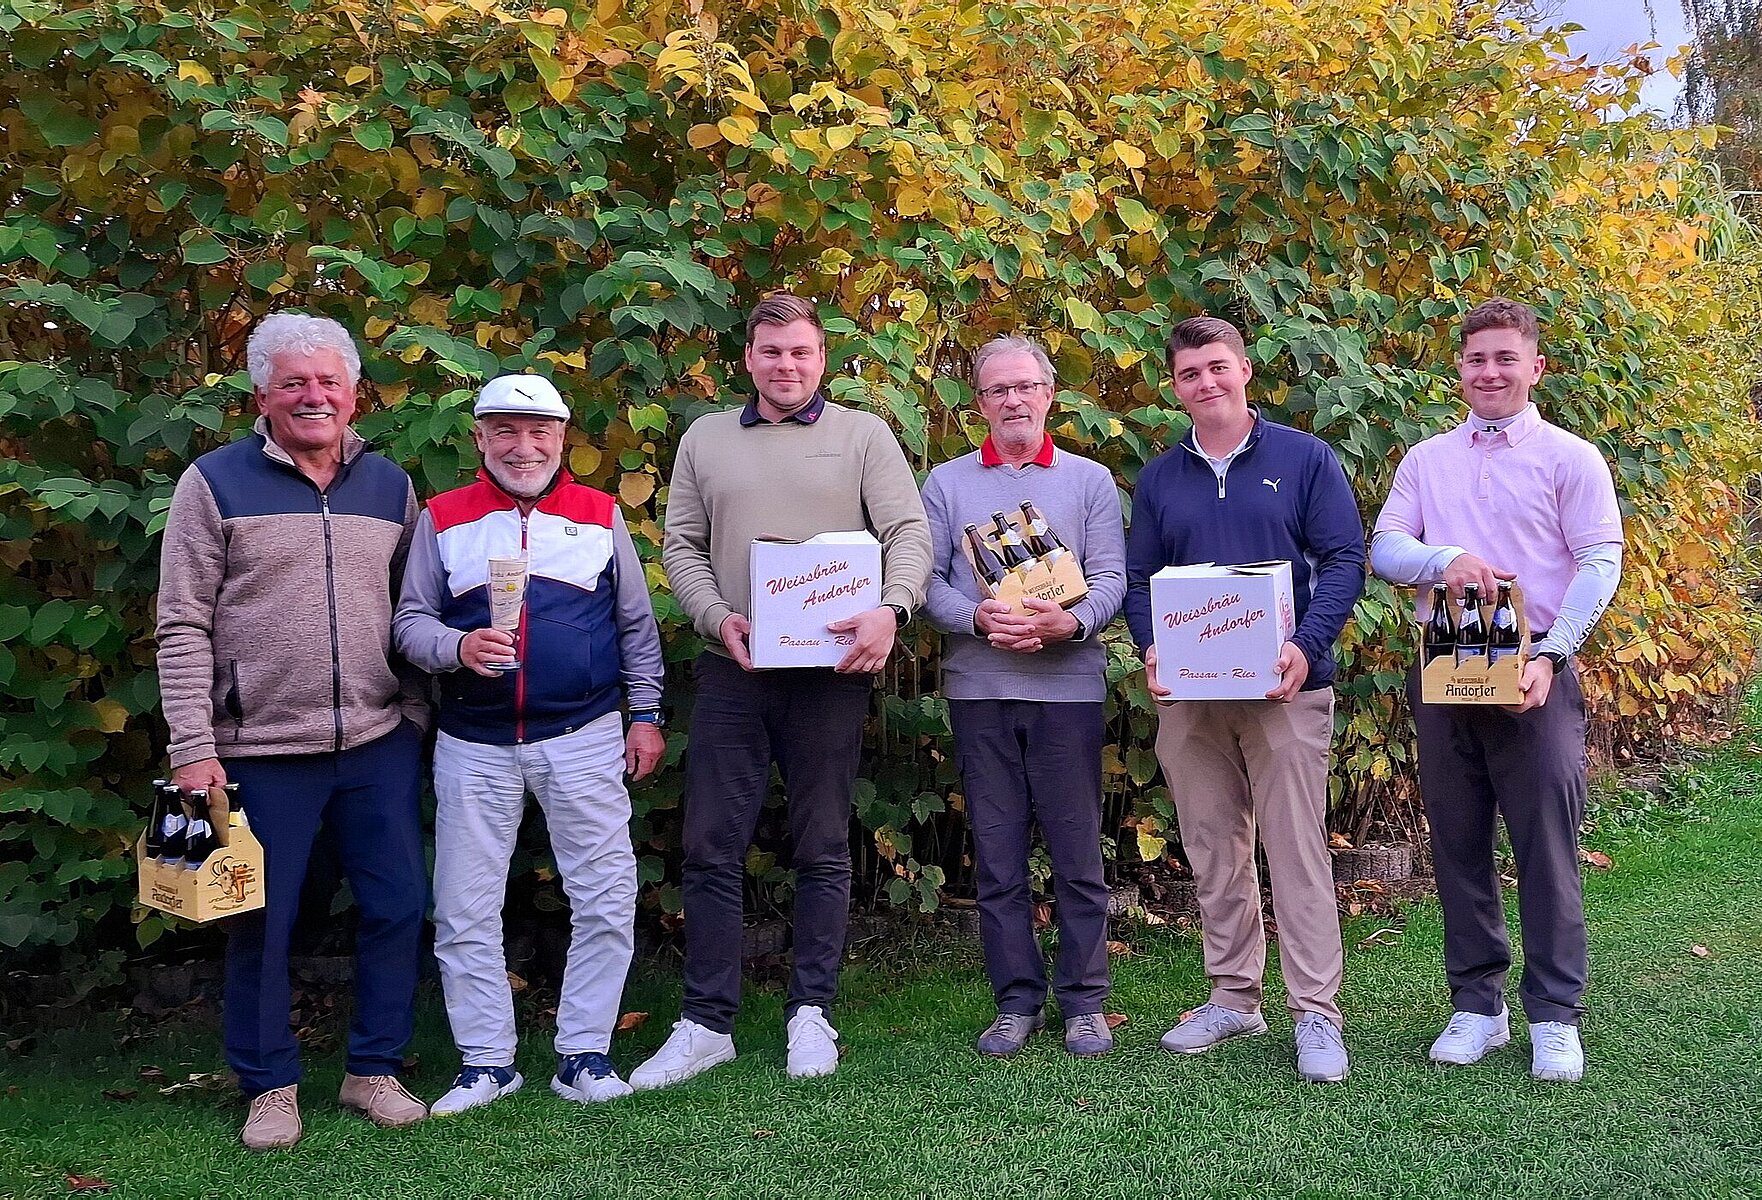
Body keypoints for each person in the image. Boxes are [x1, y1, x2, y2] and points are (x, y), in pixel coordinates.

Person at [639, 293, 932, 1087]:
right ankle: (707, 1023)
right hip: (735, 667)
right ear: (748, 358)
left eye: (801, 351)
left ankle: (812, 1012)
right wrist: (715, 616)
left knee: (822, 845)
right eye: (771, 351)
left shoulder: (863, 436)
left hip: (831, 675)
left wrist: (891, 610)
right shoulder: (705, 439)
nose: (786, 365)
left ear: (822, 359)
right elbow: (682, 545)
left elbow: (908, 533)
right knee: (710, 846)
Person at [156, 312, 429, 1150]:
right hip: (258, 750)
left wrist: (414, 715)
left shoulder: (389, 486)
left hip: (378, 742)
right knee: (261, 922)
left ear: (354, 394)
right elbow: (181, 622)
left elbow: (414, 607)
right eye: (294, 383)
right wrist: (193, 745)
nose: (314, 396)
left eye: (329, 382)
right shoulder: (213, 482)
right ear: (261, 396)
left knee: (398, 907)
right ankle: (269, 1085)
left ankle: (372, 1068)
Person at [393, 373, 666, 1112]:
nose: (523, 447)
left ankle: (584, 1053)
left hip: (584, 733)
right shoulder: (443, 517)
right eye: (506, 431)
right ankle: (486, 1063)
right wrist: (456, 648)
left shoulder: (600, 514)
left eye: (538, 431)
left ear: (561, 438)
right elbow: (409, 622)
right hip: (473, 740)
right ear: (480, 437)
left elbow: (636, 626)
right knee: (463, 908)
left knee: (605, 898)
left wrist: (646, 714)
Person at [1371, 297, 1622, 1082]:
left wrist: (1551, 655)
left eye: (1506, 358)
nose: (1490, 372)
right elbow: (1385, 547)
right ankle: (1478, 1005)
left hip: (1534, 665)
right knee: (1457, 842)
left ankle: (1554, 1014)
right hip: (1446, 667)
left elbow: (1600, 562)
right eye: (1477, 359)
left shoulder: (1571, 458)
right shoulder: (1426, 461)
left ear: (1535, 367)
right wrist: (1442, 559)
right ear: (1460, 369)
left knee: (1546, 847)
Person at [1123, 315, 1365, 1083]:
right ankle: (1233, 997)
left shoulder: (1304, 458)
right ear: (1175, 387)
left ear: (1245, 370)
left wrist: (1307, 646)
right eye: (1190, 374)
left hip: (1286, 688)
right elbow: (1139, 581)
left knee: (1295, 850)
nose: (1207, 383)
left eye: (1218, 367)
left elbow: (1344, 559)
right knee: (1212, 847)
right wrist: (1151, 647)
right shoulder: (1161, 479)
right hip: (1191, 697)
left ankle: (1316, 1013)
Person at [919, 335, 1126, 1058]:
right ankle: (1016, 1001)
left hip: (1067, 688)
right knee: (998, 852)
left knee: (1076, 852)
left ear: (1048, 395)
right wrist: (976, 618)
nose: (1012, 400)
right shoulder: (945, 484)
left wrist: (1073, 622)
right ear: (979, 403)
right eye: (997, 390)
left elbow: (1112, 578)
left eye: (1025, 387)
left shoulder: (1090, 481)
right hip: (980, 687)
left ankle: (1085, 1002)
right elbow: (925, 581)